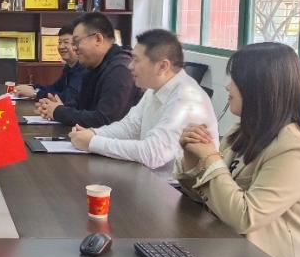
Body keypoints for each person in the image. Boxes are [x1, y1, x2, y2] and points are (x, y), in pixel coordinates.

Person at [176, 41, 300, 257]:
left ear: (260, 88)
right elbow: (211, 197)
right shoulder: (241, 132)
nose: (228, 87)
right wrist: (191, 156)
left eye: (236, 80)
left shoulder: (295, 149)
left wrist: (210, 158)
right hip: (238, 256)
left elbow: (245, 218)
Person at [69, 29, 218, 169]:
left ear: (162, 66)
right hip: (153, 177)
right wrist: (93, 133)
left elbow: (153, 154)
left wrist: (92, 142)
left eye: (136, 60)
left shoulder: (186, 98)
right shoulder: (155, 88)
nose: (130, 66)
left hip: (177, 186)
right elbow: (129, 128)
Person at [36, 12, 141, 127]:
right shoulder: (93, 67)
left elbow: (104, 120)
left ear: (98, 39)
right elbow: (80, 105)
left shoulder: (120, 69)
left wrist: (58, 111)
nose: (74, 48)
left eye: (77, 42)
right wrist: (57, 107)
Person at [13, 23, 85, 104]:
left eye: (66, 42)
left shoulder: (84, 69)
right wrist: (32, 87)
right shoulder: (68, 67)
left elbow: (68, 98)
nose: (61, 46)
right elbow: (54, 88)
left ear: (77, 45)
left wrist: (35, 93)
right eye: (59, 42)